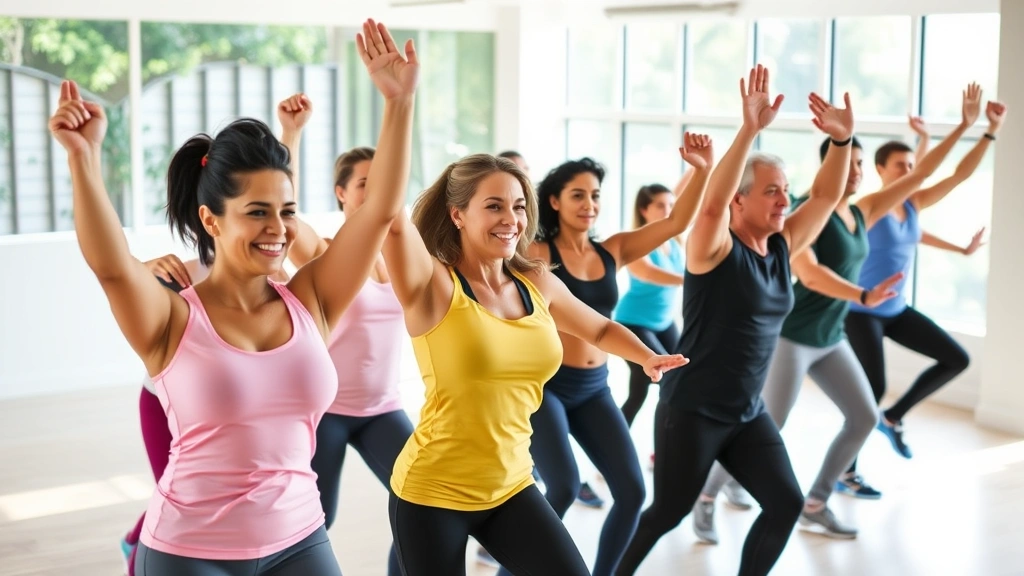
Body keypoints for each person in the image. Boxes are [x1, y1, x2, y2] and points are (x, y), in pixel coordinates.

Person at [50, 18, 416, 575]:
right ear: (210, 220)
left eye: (287, 211)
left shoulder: (312, 298)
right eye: (257, 212)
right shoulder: (171, 317)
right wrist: (83, 158)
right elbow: (110, 265)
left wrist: (398, 102)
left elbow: (381, 212)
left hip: (300, 537)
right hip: (190, 550)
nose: (278, 228)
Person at [692, 83, 980, 543]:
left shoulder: (861, 211)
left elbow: (922, 175)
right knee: (770, 426)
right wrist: (863, 296)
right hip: (795, 337)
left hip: (831, 336)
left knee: (865, 416)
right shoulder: (797, 214)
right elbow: (811, 274)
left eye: (864, 166)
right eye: (851, 163)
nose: (858, 173)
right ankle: (707, 496)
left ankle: (816, 502)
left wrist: (969, 129)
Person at [381, 152, 687, 576]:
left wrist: (647, 356)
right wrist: (400, 101)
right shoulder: (432, 284)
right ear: (457, 214)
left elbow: (598, 329)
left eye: (519, 206)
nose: (511, 218)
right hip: (433, 492)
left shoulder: (536, 281)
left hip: (511, 484)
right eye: (494, 206)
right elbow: (386, 213)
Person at [615, 65, 855, 576]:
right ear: (740, 200)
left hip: (747, 412)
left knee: (785, 503)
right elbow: (707, 210)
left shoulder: (783, 247)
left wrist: (842, 141)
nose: (785, 200)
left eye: (786, 190)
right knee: (667, 513)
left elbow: (828, 197)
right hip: (693, 411)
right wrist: (748, 130)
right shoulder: (713, 249)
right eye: (771, 191)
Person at [494, 133, 710, 576]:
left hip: (595, 388)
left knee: (632, 492)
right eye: (577, 195)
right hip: (548, 389)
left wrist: (701, 170)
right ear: (553, 201)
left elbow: (675, 224)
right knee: (563, 487)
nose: (589, 204)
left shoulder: (611, 249)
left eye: (594, 195)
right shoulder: (535, 253)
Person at [841, 90, 1006, 492]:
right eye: (902, 166)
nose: (910, 171)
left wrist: (989, 133)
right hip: (860, 312)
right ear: (881, 170)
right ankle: (846, 471)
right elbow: (931, 174)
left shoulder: (911, 206)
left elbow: (955, 181)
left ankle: (893, 417)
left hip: (894, 310)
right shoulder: (871, 206)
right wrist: (964, 126)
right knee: (871, 388)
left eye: (912, 164)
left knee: (955, 357)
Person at [276, 93, 412, 576]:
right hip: (328, 412)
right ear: (341, 193)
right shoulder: (325, 254)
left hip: (384, 409)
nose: (374, 191)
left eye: (382, 182)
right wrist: (290, 136)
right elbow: (284, 216)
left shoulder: (402, 258)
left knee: (422, 506)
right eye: (362, 184)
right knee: (314, 520)